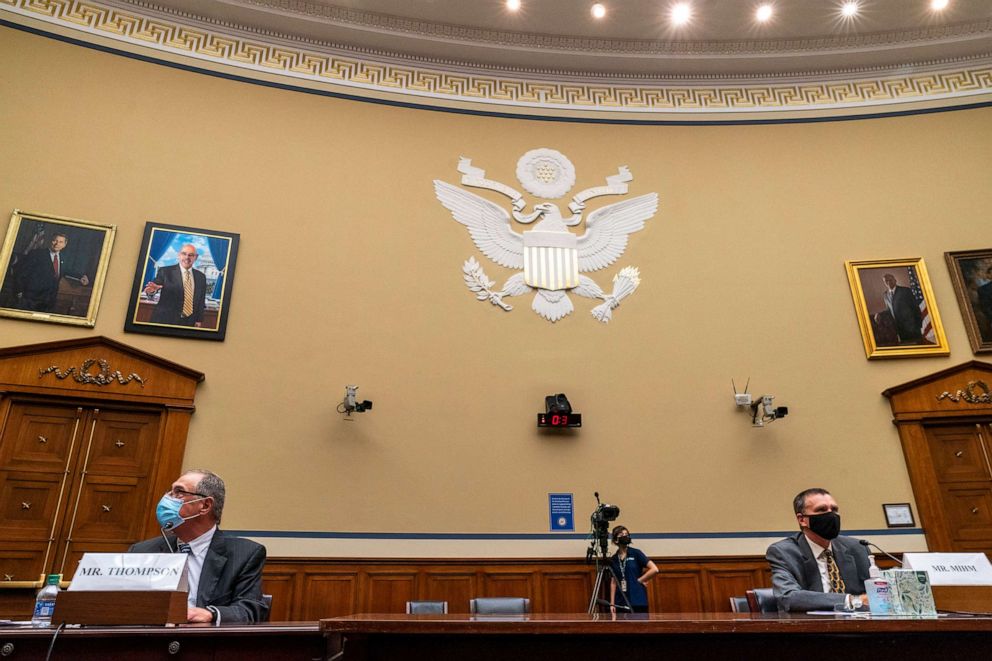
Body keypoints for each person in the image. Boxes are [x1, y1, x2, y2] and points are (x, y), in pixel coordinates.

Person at [129, 469, 269, 624]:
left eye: (179, 492)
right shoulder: (142, 551)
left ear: (205, 505)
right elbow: (126, 607)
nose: (167, 499)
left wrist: (210, 614)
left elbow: (249, 610)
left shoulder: (244, 554)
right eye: (170, 492)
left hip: (206, 643)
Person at [766, 488, 871, 613]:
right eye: (821, 510)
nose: (831, 514)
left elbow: (878, 589)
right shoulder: (783, 552)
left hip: (861, 625)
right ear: (802, 519)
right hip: (813, 626)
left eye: (834, 509)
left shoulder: (858, 547)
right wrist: (851, 600)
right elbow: (788, 597)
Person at [10, 232, 89, 312]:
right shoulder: (37, 254)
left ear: (64, 245)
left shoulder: (63, 257)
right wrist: (19, 292)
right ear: (50, 241)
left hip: (49, 300)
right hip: (30, 298)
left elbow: (66, 270)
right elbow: (21, 273)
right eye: (55, 240)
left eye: (60, 242)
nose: (57, 244)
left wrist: (81, 276)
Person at [144, 244, 207, 327]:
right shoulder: (165, 271)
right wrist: (152, 291)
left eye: (191, 255)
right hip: (165, 320)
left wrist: (199, 320)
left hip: (189, 322)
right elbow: (155, 285)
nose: (187, 257)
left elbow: (201, 300)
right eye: (184, 254)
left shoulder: (201, 277)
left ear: (196, 257)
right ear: (179, 255)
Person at [608, 525, 659, 613]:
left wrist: (640, 580)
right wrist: (612, 603)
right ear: (616, 540)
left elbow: (654, 569)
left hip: (637, 599)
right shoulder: (614, 559)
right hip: (620, 601)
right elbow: (613, 582)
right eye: (621, 534)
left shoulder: (636, 553)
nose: (625, 536)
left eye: (626, 534)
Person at [878, 273, 923, 343]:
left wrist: (919, 325)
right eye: (886, 281)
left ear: (895, 280)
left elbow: (915, 307)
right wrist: (879, 314)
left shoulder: (905, 291)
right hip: (900, 329)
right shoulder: (885, 295)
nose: (888, 282)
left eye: (890, 280)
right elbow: (889, 310)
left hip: (912, 327)